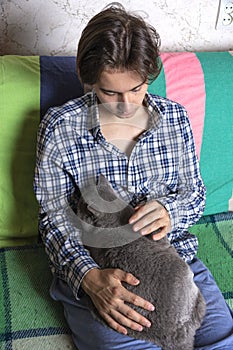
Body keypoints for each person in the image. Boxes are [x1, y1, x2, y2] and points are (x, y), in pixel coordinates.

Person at [34, 3, 233, 349]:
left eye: (137, 88)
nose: (126, 106)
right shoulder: (60, 128)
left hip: (172, 262)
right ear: (88, 77)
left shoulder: (173, 119)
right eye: (110, 92)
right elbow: (53, 219)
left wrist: (171, 212)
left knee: (221, 339)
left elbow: (193, 193)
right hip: (99, 269)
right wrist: (90, 279)